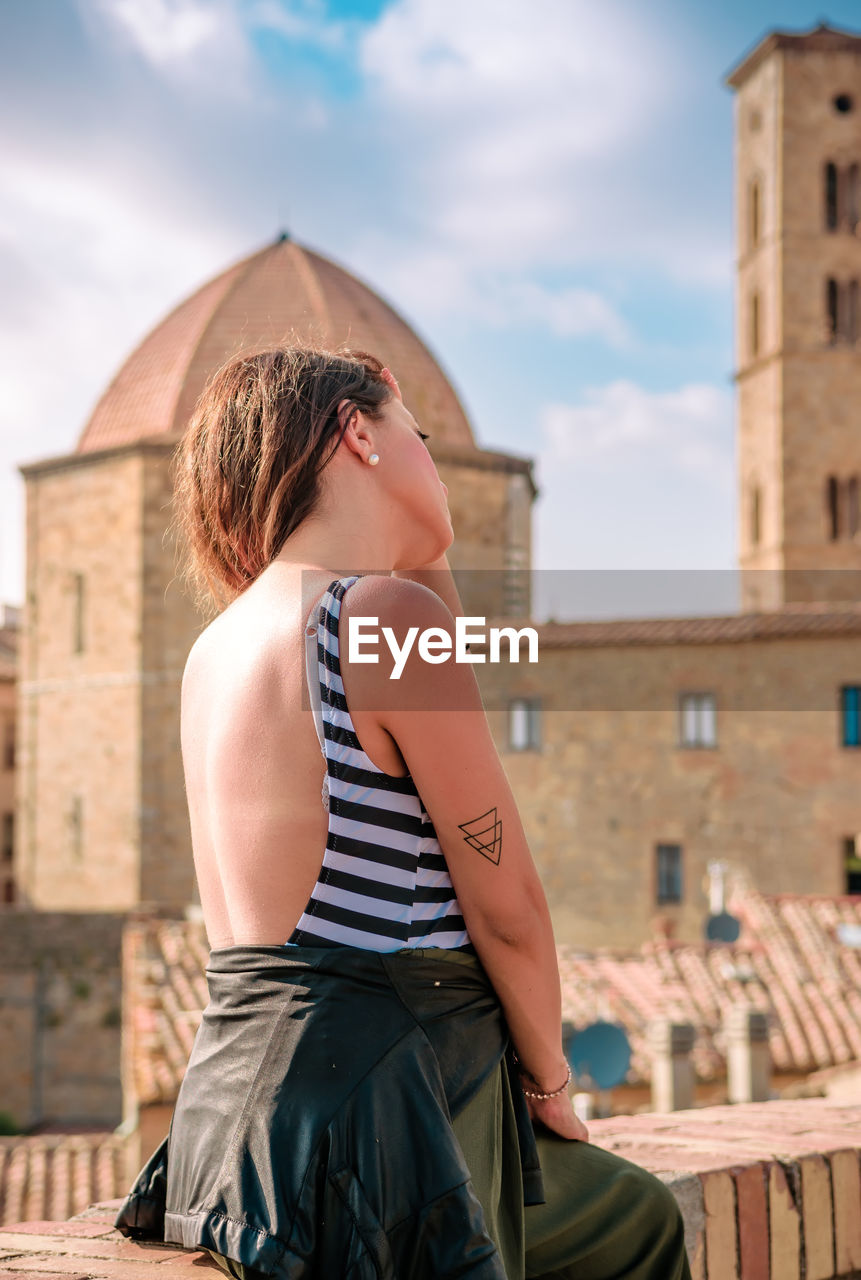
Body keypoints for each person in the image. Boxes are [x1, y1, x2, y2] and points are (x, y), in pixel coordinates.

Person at [113, 344, 692, 1279]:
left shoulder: (219, 646)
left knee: (616, 1216)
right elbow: (508, 909)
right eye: (415, 435)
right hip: (388, 1112)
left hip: (235, 1128)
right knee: (638, 1224)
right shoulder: (379, 619)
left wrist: (427, 543)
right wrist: (547, 1083)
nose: (434, 460)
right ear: (356, 433)